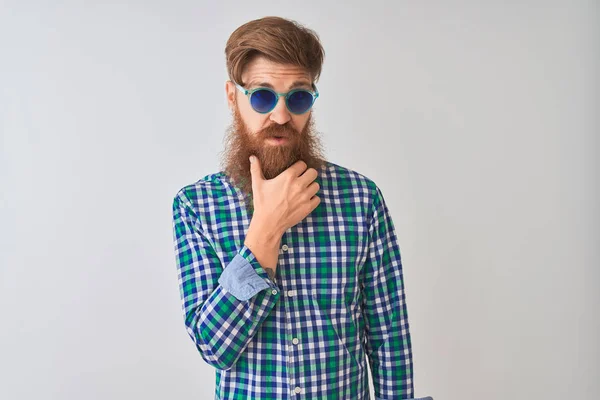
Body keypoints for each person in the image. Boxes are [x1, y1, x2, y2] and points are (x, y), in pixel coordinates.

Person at [172, 15, 433, 400]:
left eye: (297, 97)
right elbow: (215, 348)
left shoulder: (361, 199)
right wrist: (266, 230)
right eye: (261, 96)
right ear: (233, 96)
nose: (280, 116)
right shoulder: (196, 206)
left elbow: (388, 337)